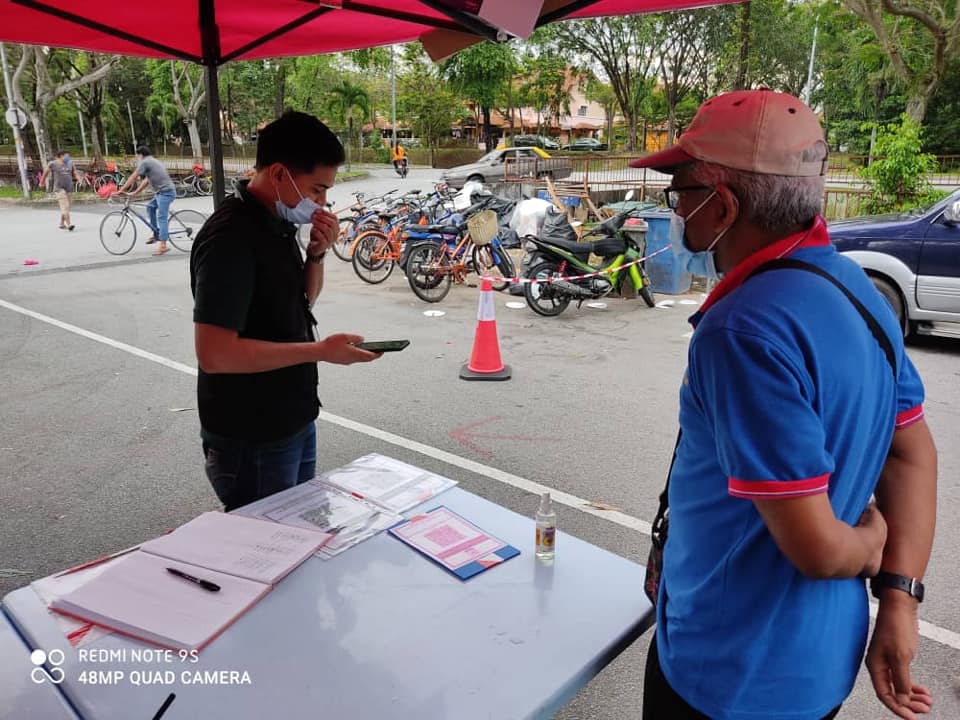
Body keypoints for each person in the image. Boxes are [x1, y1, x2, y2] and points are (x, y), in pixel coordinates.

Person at [631, 89, 937, 720]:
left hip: (729, 675)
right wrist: (899, 600)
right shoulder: (855, 287)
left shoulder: (743, 331)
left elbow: (823, 550)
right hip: (818, 663)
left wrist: (872, 540)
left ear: (723, 204)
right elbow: (912, 455)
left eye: (681, 189)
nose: (676, 206)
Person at [190, 111, 382, 512]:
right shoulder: (231, 238)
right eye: (316, 190)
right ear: (279, 174)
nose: (321, 204)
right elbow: (215, 353)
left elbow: (301, 303)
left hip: (292, 418)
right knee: (266, 549)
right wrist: (319, 351)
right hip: (252, 435)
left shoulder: (275, 223)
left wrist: (316, 255)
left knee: (300, 534)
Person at [116, 145, 176, 256]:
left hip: (166, 192)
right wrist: (134, 193)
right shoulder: (153, 161)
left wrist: (121, 190)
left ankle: (163, 245)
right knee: (150, 207)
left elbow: (133, 176)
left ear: (140, 155)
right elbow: (146, 181)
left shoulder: (145, 162)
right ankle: (156, 234)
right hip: (161, 192)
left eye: (137, 156)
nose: (136, 158)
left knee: (162, 217)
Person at [40, 150, 80, 231]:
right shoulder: (53, 163)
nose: (68, 158)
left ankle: (61, 223)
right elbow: (46, 172)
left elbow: (75, 172)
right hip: (59, 188)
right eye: (66, 156)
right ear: (61, 156)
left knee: (67, 207)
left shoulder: (70, 163)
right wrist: (42, 182)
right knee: (64, 206)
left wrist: (79, 180)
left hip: (69, 188)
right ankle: (69, 224)